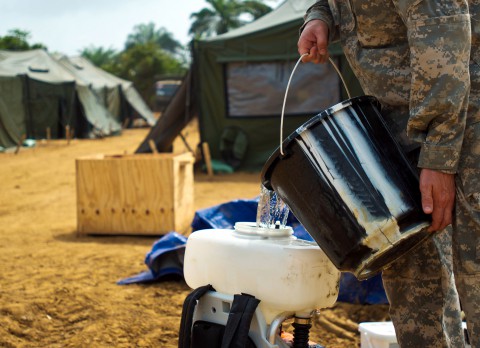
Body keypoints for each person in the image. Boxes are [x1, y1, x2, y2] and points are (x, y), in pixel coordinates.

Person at [298, 1, 480, 347]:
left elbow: (444, 35)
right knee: (415, 284)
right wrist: (320, 17)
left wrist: (439, 157)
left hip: (467, 119)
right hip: (397, 130)